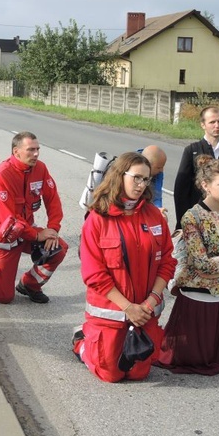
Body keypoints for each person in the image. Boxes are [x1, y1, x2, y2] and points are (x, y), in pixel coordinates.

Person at [73, 152, 176, 382]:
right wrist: (128, 308)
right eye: (136, 178)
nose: (141, 185)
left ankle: (96, 342)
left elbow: (168, 262)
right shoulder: (97, 219)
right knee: (110, 375)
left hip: (145, 314)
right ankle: (83, 341)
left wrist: (150, 302)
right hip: (112, 315)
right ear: (120, 176)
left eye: (146, 179)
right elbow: (94, 274)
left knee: (140, 374)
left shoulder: (154, 216)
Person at [156, 156, 219, 375]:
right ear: (205, 185)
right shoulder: (193, 217)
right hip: (203, 296)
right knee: (192, 357)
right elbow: (202, 265)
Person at [0, 131, 68, 304]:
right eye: (31, 150)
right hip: (2, 238)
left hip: (26, 233)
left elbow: (53, 199)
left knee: (58, 247)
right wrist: (37, 235)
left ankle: (29, 285)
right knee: (3, 296)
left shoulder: (40, 168)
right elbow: (8, 219)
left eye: (38, 149)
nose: (36, 154)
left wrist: (53, 229)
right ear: (16, 152)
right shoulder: (1, 175)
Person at [173, 107, 219, 230]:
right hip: (198, 216)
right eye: (212, 122)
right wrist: (182, 222)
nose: (217, 125)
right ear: (203, 125)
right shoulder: (192, 151)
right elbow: (181, 190)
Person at [140, 145, 168, 217]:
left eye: (162, 167)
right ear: (147, 165)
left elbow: (157, 194)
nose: (161, 170)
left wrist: (158, 209)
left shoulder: (158, 173)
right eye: (159, 167)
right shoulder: (128, 170)